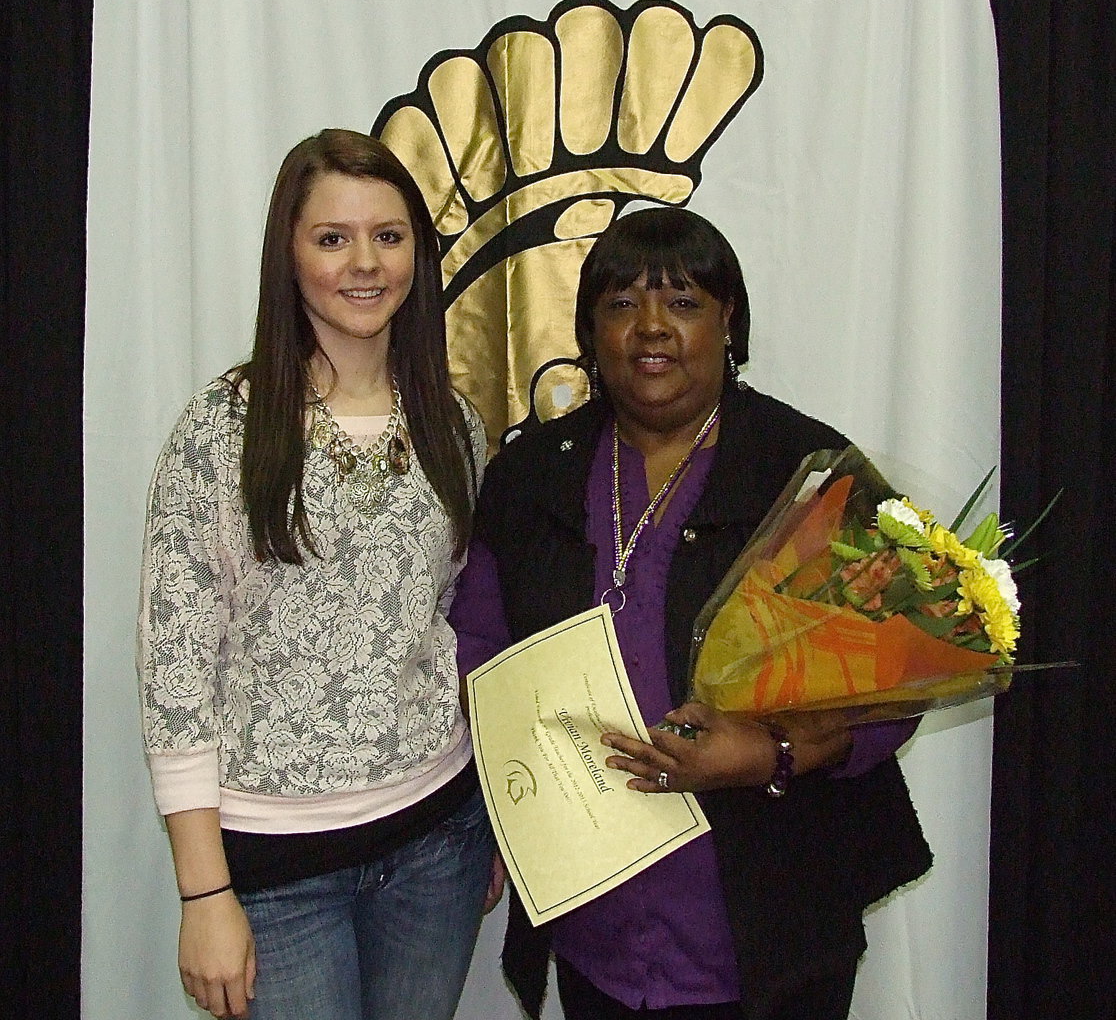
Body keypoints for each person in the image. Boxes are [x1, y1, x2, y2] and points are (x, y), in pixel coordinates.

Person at [449, 206, 932, 1020]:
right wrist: (509, 793)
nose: (650, 329)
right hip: (596, 915)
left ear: (728, 322)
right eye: (620, 304)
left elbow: (901, 677)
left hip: (770, 921)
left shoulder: (809, 474)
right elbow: (478, 646)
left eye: (682, 303)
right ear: (588, 330)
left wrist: (770, 751)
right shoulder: (530, 475)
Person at [138, 129, 497, 1020]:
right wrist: (202, 895)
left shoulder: (454, 426)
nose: (364, 263)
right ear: (287, 255)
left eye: (390, 234)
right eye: (332, 238)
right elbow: (176, 672)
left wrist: (495, 821)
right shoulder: (223, 430)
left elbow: (451, 622)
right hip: (277, 868)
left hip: (437, 845)